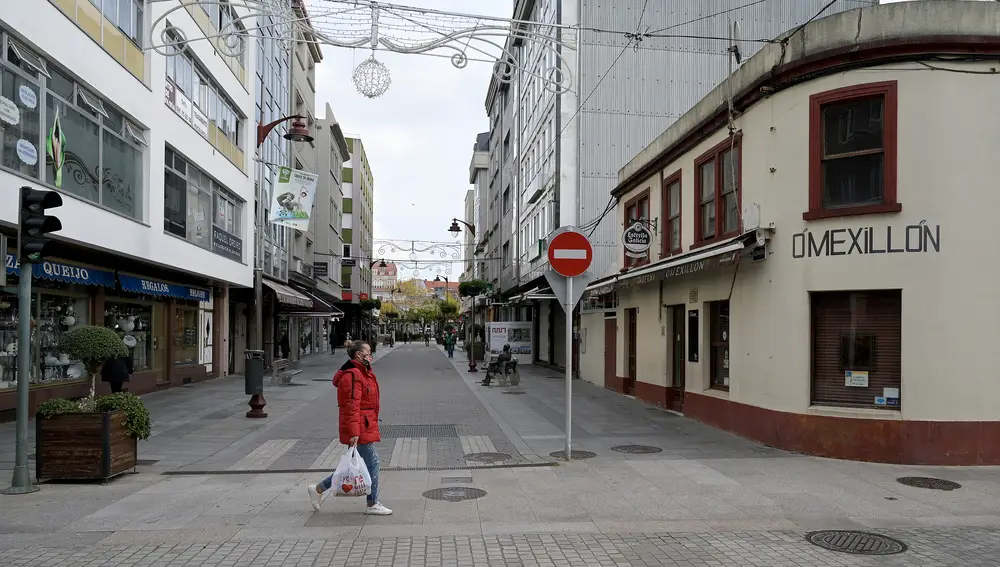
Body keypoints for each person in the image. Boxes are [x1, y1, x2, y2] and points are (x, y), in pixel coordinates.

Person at [307, 341, 392, 515]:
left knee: (351, 468)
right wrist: (354, 432)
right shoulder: (353, 375)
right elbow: (352, 406)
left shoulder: (362, 372)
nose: (371, 355)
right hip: (360, 426)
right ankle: (372, 504)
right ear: (359, 355)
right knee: (373, 463)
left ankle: (318, 489)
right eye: (368, 352)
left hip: (364, 423)